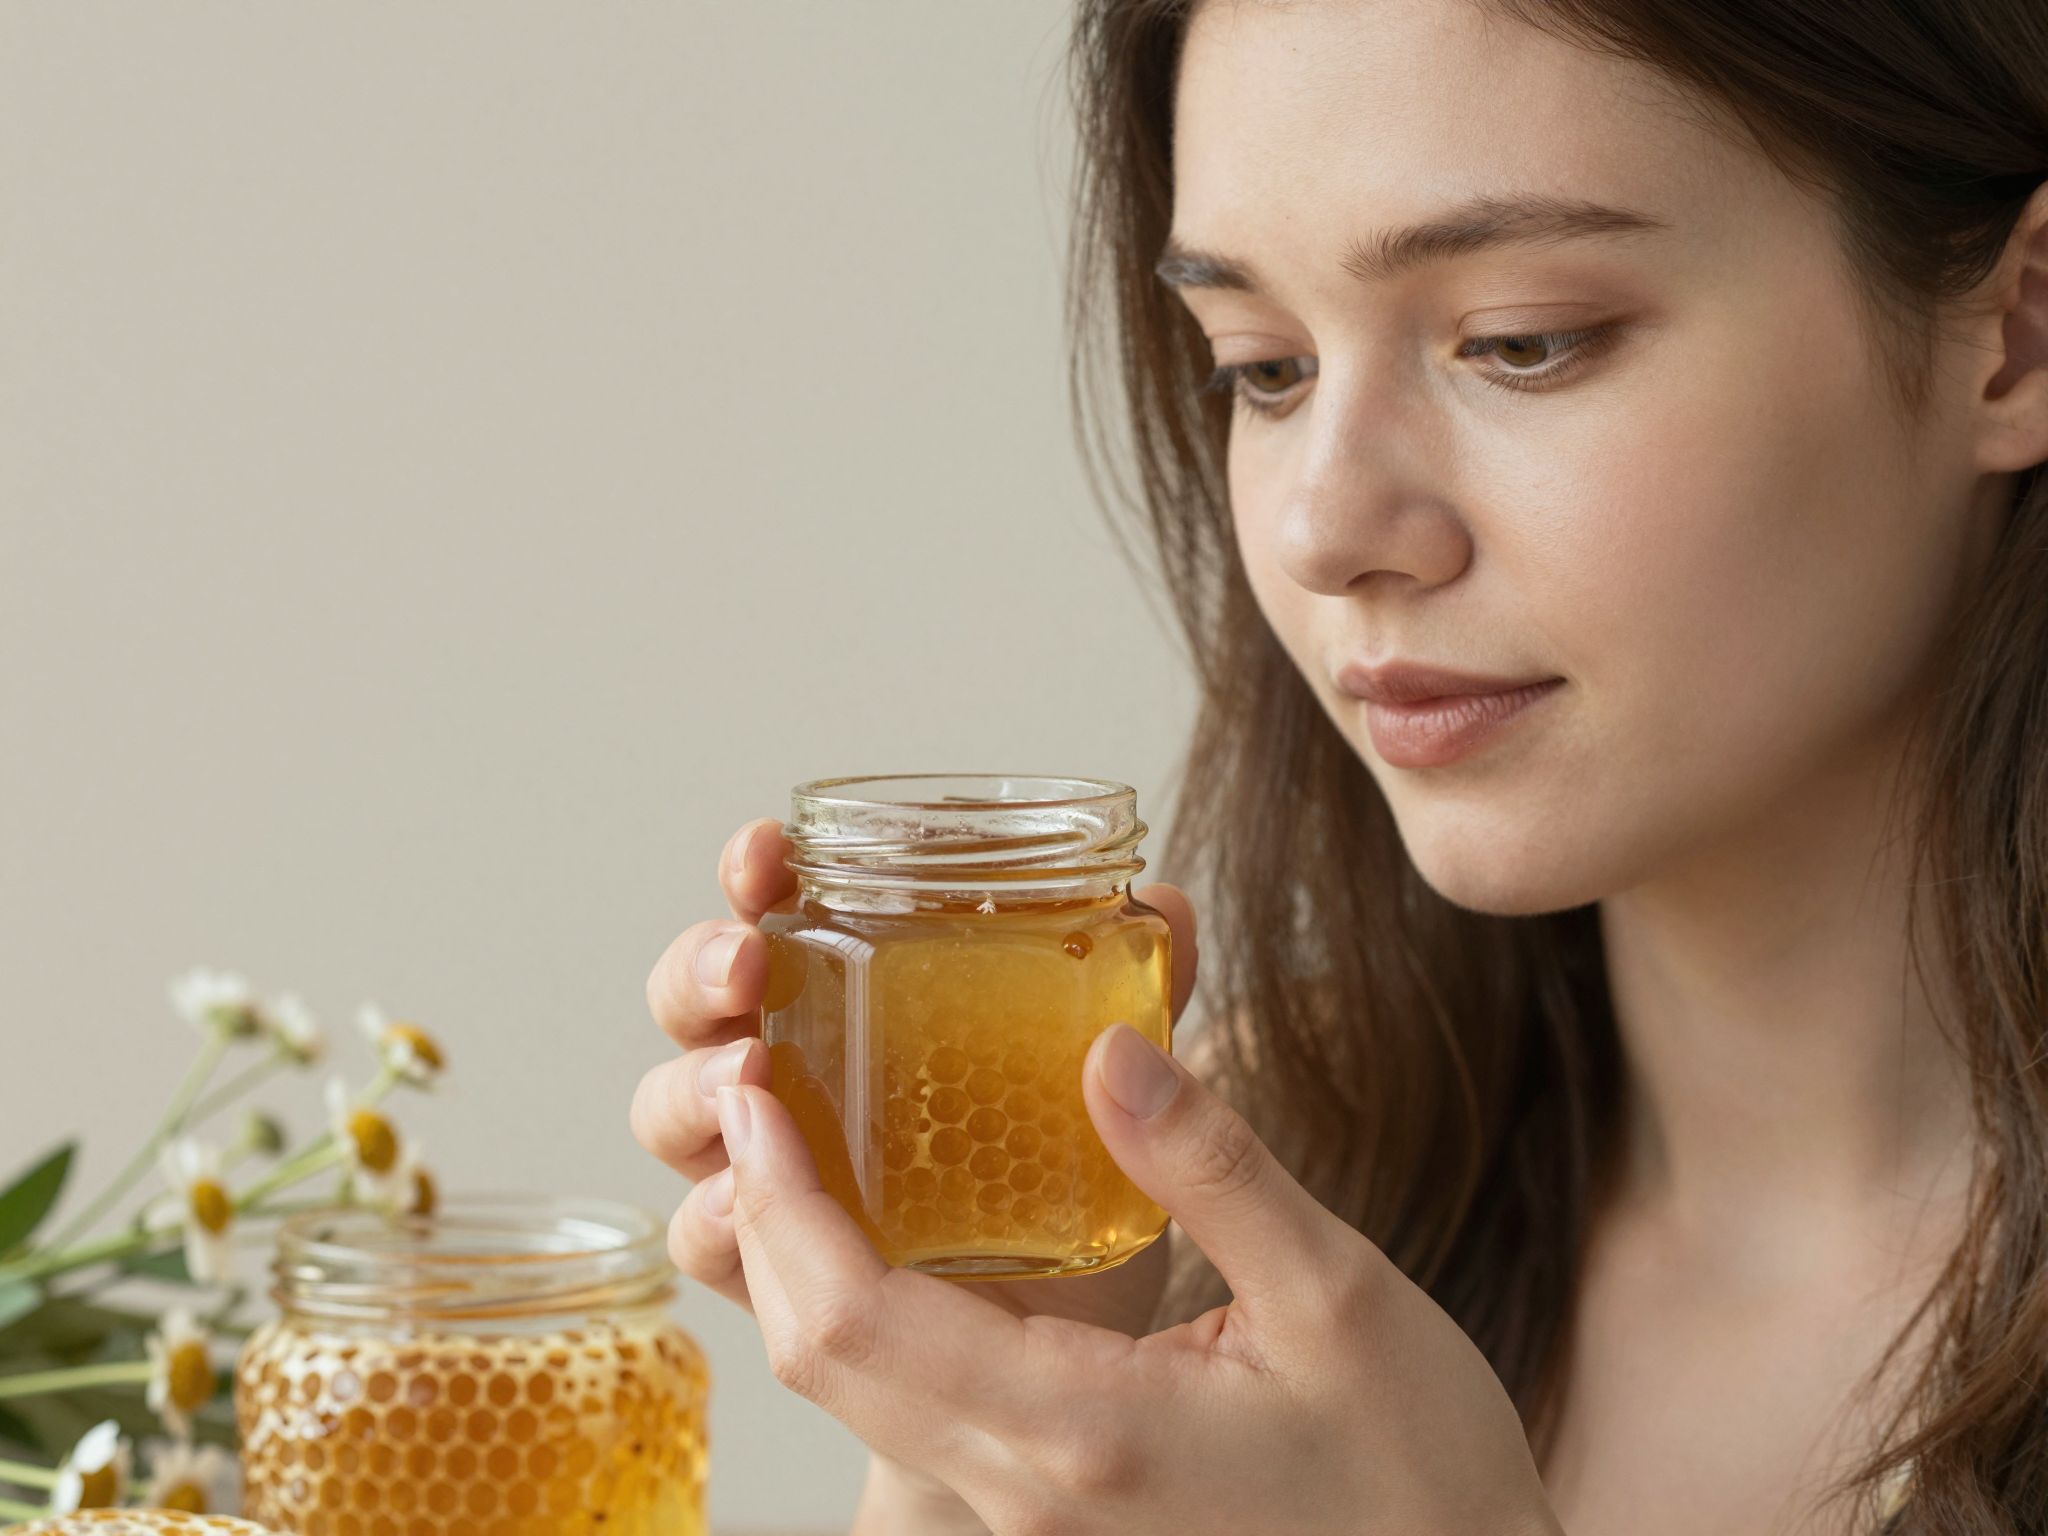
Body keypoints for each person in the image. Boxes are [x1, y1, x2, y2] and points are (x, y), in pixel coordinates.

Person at [631, 0, 2048, 1529]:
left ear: (2017, 335)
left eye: (1521, 342)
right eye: (1265, 367)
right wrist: (965, 1462)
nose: (1320, 526)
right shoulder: (1249, 1179)